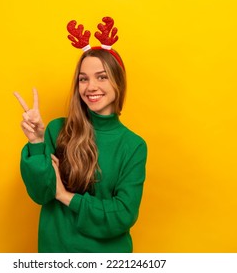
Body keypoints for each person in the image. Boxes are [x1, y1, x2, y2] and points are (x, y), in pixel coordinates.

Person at [14, 17, 147, 253]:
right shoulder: (57, 130)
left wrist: (64, 195)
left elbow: (123, 214)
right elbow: (40, 194)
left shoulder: (133, 146)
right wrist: (36, 143)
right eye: (83, 79)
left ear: (118, 81)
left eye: (102, 76)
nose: (90, 86)